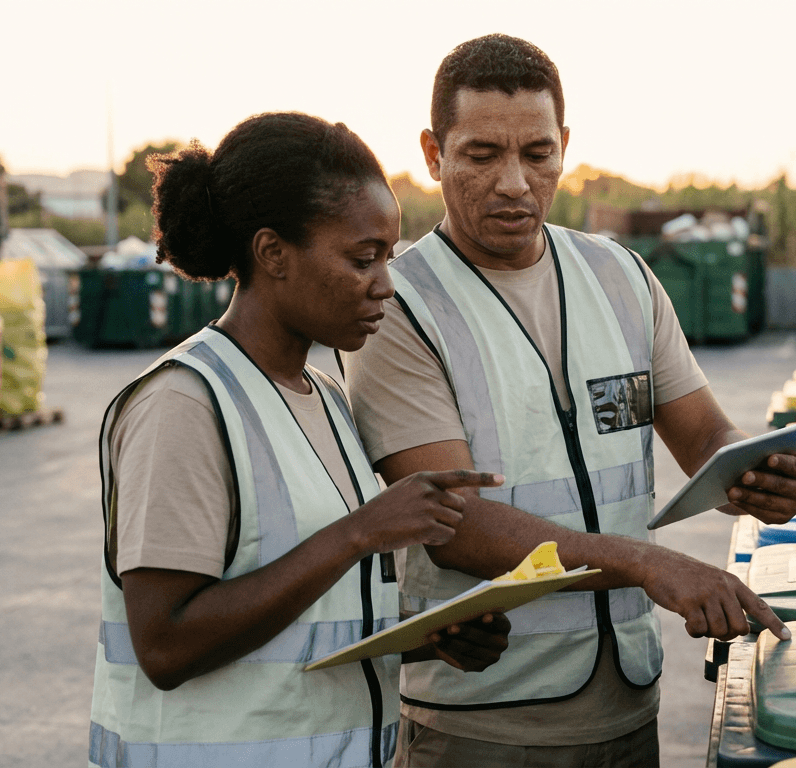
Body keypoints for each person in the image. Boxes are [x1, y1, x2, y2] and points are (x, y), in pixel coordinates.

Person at [344, 35, 796, 766]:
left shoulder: (620, 275)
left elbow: (704, 437)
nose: (513, 183)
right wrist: (648, 564)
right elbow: (453, 522)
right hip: (484, 717)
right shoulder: (396, 308)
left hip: (627, 703)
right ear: (433, 156)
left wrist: (752, 475)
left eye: (536, 153)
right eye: (481, 155)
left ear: (565, 145)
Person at [88, 112, 512, 768]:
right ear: (273, 253)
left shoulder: (327, 397)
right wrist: (360, 532)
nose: (384, 285)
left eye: (388, 258)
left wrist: (425, 639)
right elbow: (166, 646)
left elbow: (302, 624)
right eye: (361, 258)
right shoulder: (185, 403)